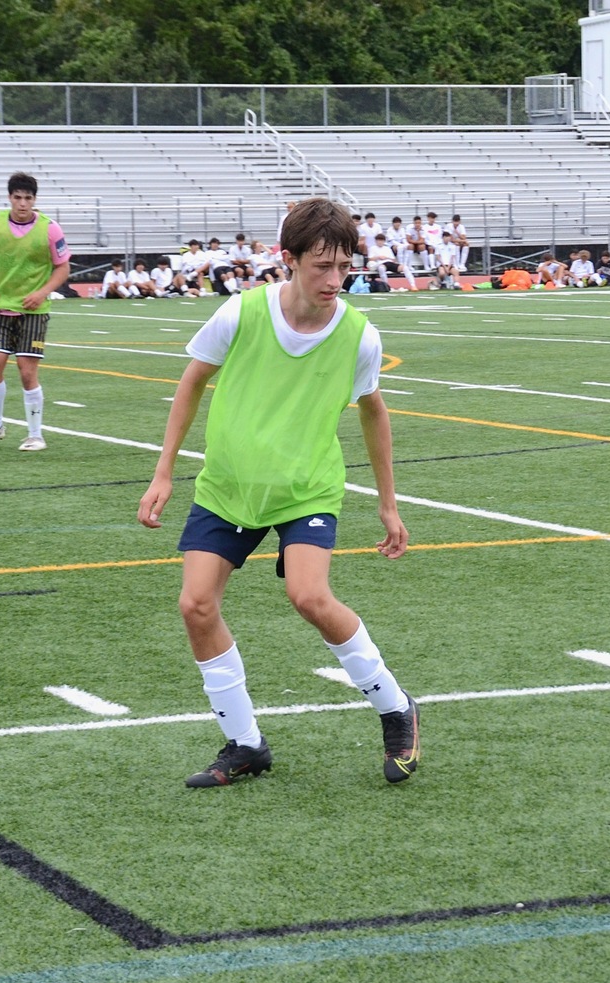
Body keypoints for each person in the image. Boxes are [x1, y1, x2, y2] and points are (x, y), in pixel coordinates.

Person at [136, 196, 417, 788]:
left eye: (345, 266)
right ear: (287, 260)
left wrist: (387, 503)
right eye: (323, 267)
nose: (336, 280)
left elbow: (374, 414)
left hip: (306, 489)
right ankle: (244, 744)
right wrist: (163, 473)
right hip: (229, 487)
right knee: (196, 606)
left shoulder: (359, 336)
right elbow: (190, 385)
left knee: (309, 596)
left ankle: (396, 709)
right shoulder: (240, 315)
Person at [0, 171, 72, 453]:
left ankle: (35, 435)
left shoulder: (50, 228)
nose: (22, 204)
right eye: (17, 198)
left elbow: (63, 267)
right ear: (9, 198)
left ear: (35, 200)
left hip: (34, 311)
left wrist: (42, 292)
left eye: (28, 198)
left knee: (26, 371)